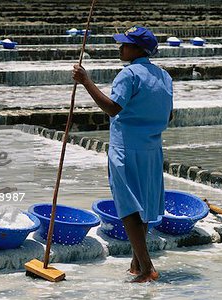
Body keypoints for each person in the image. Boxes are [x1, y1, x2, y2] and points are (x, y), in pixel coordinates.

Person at [72, 26, 173, 283]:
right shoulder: (163, 76)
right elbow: (169, 114)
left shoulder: (128, 75)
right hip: (151, 148)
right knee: (144, 205)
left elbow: (112, 108)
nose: (120, 48)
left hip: (126, 148)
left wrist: (86, 81)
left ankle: (147, 268)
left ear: (138, 49)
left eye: (125, 44)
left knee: (128, 207)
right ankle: (136, 261)